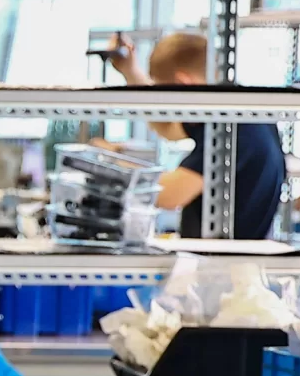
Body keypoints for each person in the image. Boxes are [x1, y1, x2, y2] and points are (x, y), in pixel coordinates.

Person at [103, 31, 285, 239]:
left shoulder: (232, 128)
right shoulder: (239, 110)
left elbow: (169, 195)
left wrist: (108, 164)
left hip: (223, 264)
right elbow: (169, 128)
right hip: (227, 258)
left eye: (163, 94)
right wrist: (130, 71)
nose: (165, 107)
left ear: (182, 84)